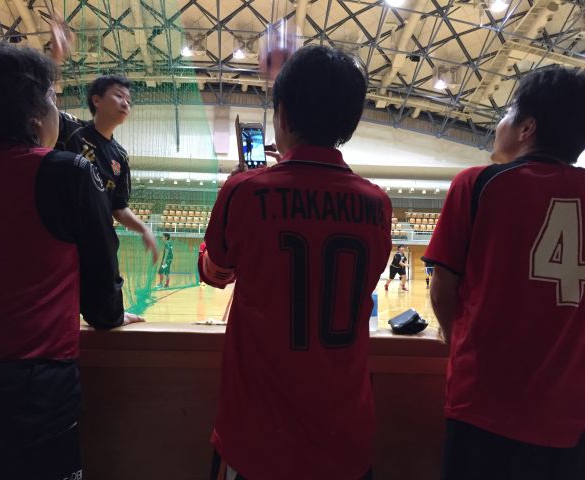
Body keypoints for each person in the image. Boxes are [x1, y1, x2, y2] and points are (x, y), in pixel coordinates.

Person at [0, 42, 143, 479]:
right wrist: (113, 315)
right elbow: (102, 306)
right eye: (52, 99)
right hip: (30, 396)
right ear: (34, 115)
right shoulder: (64, 172)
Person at [199, 45, 392, 480]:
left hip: (257, 440)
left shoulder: (244, 190)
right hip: (346, 438)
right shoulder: (378, 204)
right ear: (350, 122)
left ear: (282, 115)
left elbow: (215, 272)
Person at [423, 66, 585, 479]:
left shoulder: (477, 183)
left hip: (483, 408)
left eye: (508, 112)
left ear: (527, 128)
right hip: (570, 416)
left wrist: (460, 342)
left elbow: (442, 290)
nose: (499, 124)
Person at [50, 20, 158, 264]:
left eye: (128, 100)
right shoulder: (70, 130)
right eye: (118, 96)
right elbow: (42, 106)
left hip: (101, 250)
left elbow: (118, 207)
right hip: (63, 245)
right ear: (96, 101)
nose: (125, 103)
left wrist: (144, 228)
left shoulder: (120, 156)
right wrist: (55, 58)